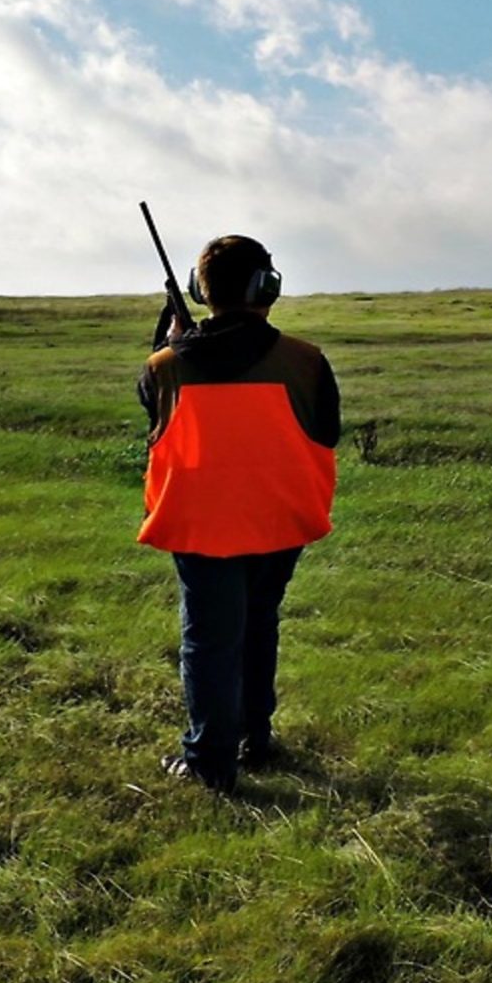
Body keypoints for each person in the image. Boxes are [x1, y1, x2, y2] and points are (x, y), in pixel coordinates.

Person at [139, 234, 340, 792]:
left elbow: (153, 413)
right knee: (258, 623)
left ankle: (209, 760)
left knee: (208, 639)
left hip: (201, 525)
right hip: (280, 520)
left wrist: (174, 343)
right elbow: (326, 432)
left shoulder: (164, 368)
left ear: (202, 291)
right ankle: (256, 738)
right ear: (267, 288)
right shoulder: (307, 361)